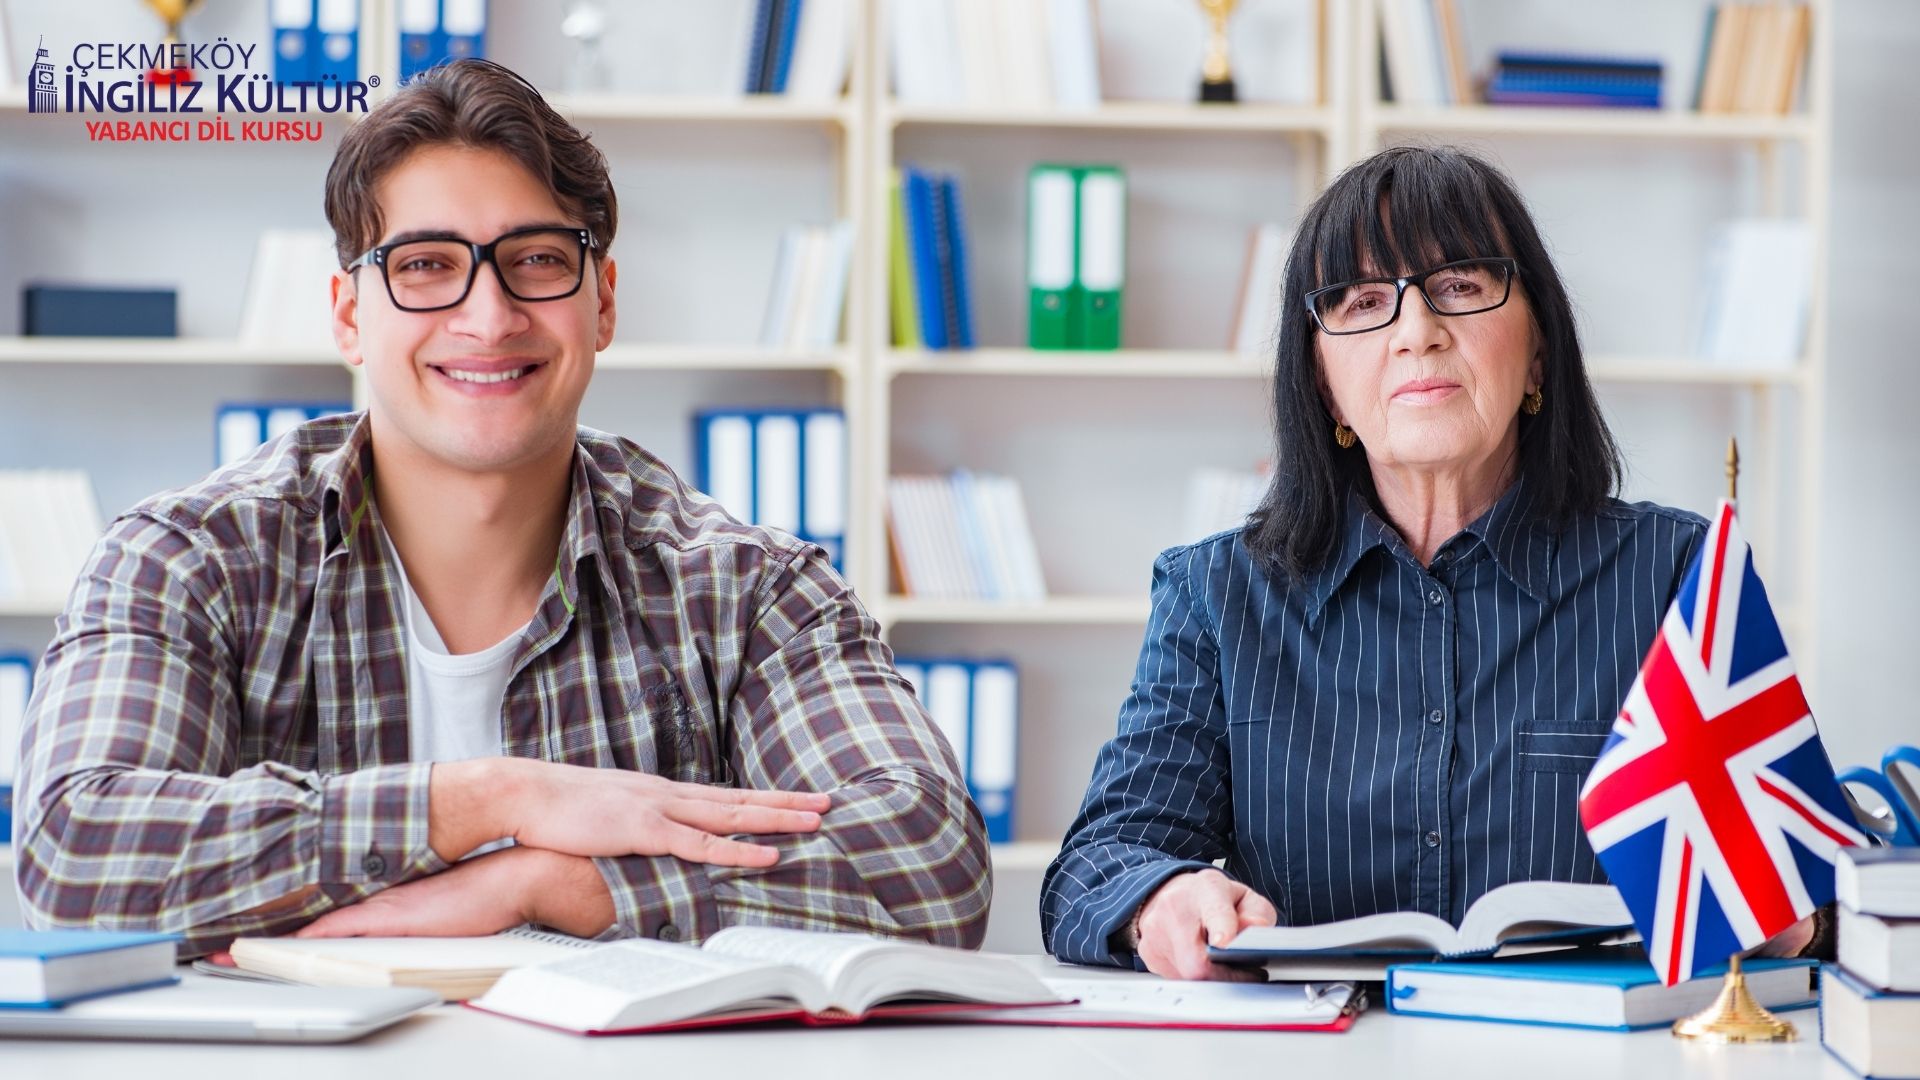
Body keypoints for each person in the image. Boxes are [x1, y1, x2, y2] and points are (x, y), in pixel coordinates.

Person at [12, 59, 989, 958]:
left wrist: (557, 881)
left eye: (534, 260)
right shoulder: (189, 559)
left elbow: (932, 865)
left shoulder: (749, 588)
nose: (489, 316)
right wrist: (493, 798)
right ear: (351, 315)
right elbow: (72, 857)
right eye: (428, 265)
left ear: (602, 302)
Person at [1040, 145, 1822, 979]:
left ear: (1539, 352)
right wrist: (1161, 903)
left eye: (1460, 286)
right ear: (1324, 386)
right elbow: (1100, 862)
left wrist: (1791, 911)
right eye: (1366, 301)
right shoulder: (1216, 596)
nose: (1418, 332)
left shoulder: (1677, 573)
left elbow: (1812, 876)